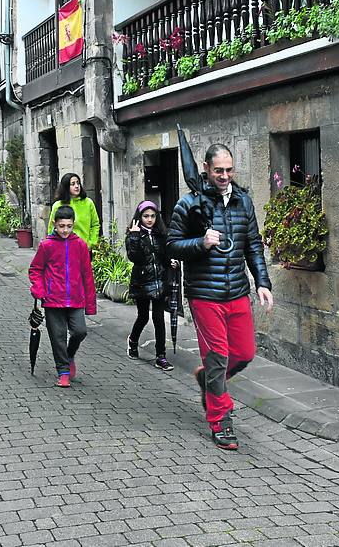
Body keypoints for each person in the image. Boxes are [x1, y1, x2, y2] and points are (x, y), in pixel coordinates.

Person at [167, 143, 273, 451]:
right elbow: (172, 245)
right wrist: (200, 242)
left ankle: (208, 381)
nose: (224, 176)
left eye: (229, 170)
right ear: (206, 169)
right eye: (218, 171)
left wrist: (262, 282)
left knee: (243, 353)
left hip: (237, 290)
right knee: (217, 357)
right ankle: (220, 419)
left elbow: (253, 244)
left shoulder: (243, 202)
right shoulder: (189, 204)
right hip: (204, 293)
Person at [29, 205, 96, 388]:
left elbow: (87, 275)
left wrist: (90, 304)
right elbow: (36, 269)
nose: (65, 230)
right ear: (54, 224)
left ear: (74, 224)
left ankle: (69, 354)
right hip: (53, 300)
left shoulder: (80, 245)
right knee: (57, 337)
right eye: (61, 226)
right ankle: (63, 372)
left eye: (69, 226)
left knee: (80, 331)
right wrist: (39, 289)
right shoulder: (47, 245)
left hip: (76, 299)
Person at [125, 201, 177, 372]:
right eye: (146, 216)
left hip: (160, 281)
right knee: (143, 316)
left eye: (152, 216)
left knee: (158, 318)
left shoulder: (161, 234)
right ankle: (133, 340)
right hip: (142, 282)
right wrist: (133, 237)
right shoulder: (134, 235)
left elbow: (164, 255)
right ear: (139, 217)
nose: (149, 220)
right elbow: (134, 258)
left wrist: (171, 262)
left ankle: (161, 356)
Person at [46, 172, 100, 247]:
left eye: (78, 183)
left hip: (84, 247)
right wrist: (52, 244)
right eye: (73, 184)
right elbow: (51, 227)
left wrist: (91, 243)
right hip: (63, 247)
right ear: (66, 187)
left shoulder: (88, 203)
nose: (77, 186)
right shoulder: (58, 205)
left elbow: (95, 224)